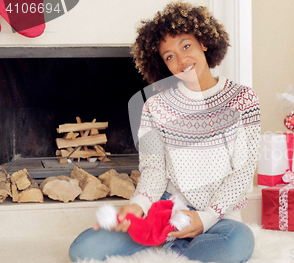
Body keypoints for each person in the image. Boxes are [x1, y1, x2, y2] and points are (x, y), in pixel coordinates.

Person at [69, 2, 260, 262]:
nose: (181, 61)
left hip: (219, 217)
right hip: (166, 213)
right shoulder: (155, 106)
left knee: (238, 242)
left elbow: (243, 172)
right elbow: (155, 171)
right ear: (162, 64)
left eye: (186, 46)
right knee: (83, 249)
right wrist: (138, 207)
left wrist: (205, 218)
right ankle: (168, 240)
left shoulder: (244, 99)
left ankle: (169, 248)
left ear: (203, 42)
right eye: (169, 56)